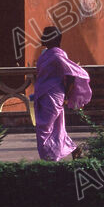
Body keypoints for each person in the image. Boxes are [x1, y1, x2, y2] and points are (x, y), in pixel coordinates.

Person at [34, 26, 92, 162]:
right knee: (57, 128)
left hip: (53, 96)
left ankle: (49, 158)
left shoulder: (57, 55)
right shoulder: (45, 54)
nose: (42, 37)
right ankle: (74, 149)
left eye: (46, 35)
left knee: (44, 127)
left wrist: (66, 95)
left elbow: (71, 75)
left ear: (54, 38)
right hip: (42, 94)